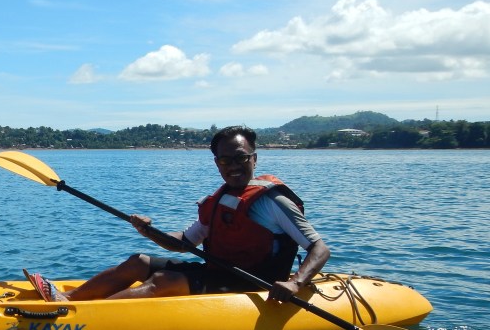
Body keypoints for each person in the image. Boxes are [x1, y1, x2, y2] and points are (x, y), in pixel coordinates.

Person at [26, 125, 330, 303]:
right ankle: (70, 301)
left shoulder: (273, 202)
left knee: (164, 280)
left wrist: (296, 282)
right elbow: (184, 241)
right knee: (138, 261)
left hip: (256, 284)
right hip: (219, 272)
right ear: (216, 163)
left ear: (254, 158)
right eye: (225, 160)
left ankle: (81, 317)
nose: (233, 166)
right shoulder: (219, 200)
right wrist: (149, 231)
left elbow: (319, 248)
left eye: (240, 158)